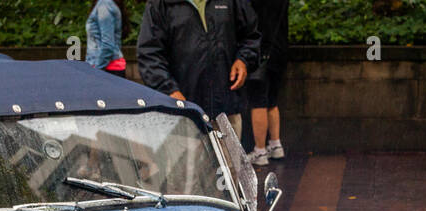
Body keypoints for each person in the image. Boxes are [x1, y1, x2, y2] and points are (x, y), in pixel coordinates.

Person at [137, 0, 261, 138]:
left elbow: (251, 36)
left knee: (230, 159)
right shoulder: (160, 4)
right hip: (182, 115)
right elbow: (149, 53)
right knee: (186, 160)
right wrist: (169, 90)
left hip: (227, 111)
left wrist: (243, 60)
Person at [244, 0, 289, 165]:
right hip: (280, 50)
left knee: (258, 101)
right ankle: (276, 144)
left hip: (261, 51)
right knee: (272, 100)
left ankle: (260, 151)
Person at [86, 0, 127, 75]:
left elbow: (108, 44)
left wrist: (96, 71)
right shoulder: (107, 4)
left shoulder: (104, 5)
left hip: (107, 68)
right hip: (109, 67)